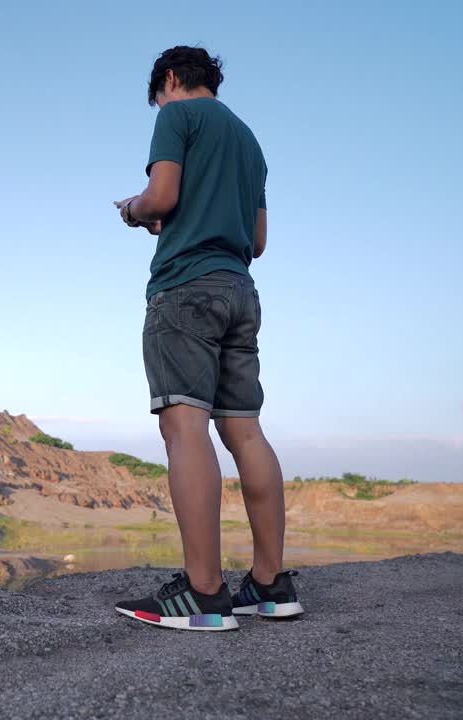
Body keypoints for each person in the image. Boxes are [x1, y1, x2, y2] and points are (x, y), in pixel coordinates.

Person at [111, 46, 304, 632]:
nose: (161, 103)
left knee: (184, 424)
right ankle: (270, 584)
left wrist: (133, 209)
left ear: (170, 79)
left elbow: (163, 195)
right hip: (241, 290)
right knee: (244, 428)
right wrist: (173, 219)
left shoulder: (178, 116)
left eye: (160, 93)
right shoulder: (249, 141)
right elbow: (258, 238)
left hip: (186, 289)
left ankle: (203, 592)